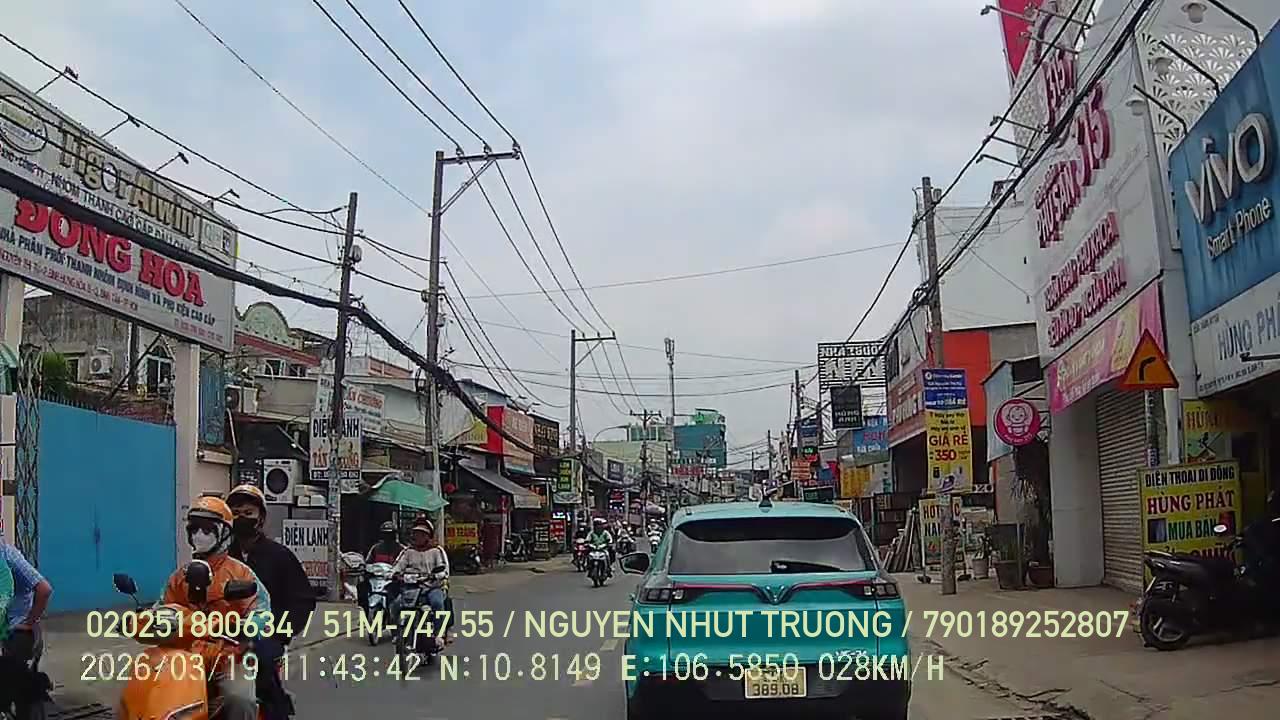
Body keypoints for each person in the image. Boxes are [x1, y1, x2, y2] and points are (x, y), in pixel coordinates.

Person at [163, 496, 272, 720]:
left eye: (207, 529)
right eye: (194, 529)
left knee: (240, 699)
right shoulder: (180, 576)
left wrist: (247, 626)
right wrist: (142, 620)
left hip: (228, 658)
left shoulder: (240, 573)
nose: (199, 535)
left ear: (224, 534)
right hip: (184, 657)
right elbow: (164, 606)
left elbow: (262, 611)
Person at [226, 484, 315, 720]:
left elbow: (303, 601)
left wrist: (279, 632)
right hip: (220, 636)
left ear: (261, 518)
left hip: (265, 635)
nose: (241, 518)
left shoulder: (280, 556)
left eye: (248, 513)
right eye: (236, 513)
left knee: (263, 665)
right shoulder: (219, 557)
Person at [1, 540, 53, 720]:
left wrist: (29, 622)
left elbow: (44, 589)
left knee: (13, 679)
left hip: (18, 631)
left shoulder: (8, 556)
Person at [391, 521, 450, 614]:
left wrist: (435, 576)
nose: (417, 536)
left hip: (431, 587)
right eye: (415, 533)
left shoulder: (436, 550)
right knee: (395, 605)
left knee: (437, 604)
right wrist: (395, 574)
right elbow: (398, 566)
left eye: (421, 534)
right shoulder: (408, 551)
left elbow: (444, 570)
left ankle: (439, 624)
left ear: (427, 536)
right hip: (410, 587)